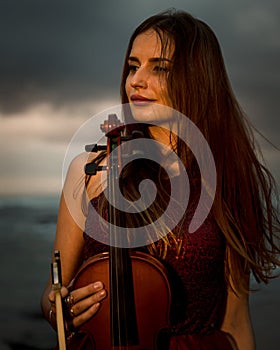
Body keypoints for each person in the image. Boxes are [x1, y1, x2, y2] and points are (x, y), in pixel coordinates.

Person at [41, 9, 280, 350]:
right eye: (133, 65)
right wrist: (58, 310)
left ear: (197, 78)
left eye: (159, 68)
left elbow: (236, 319)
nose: (136, 80)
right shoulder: (89, 170)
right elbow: (51, 290)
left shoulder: (224, 177)